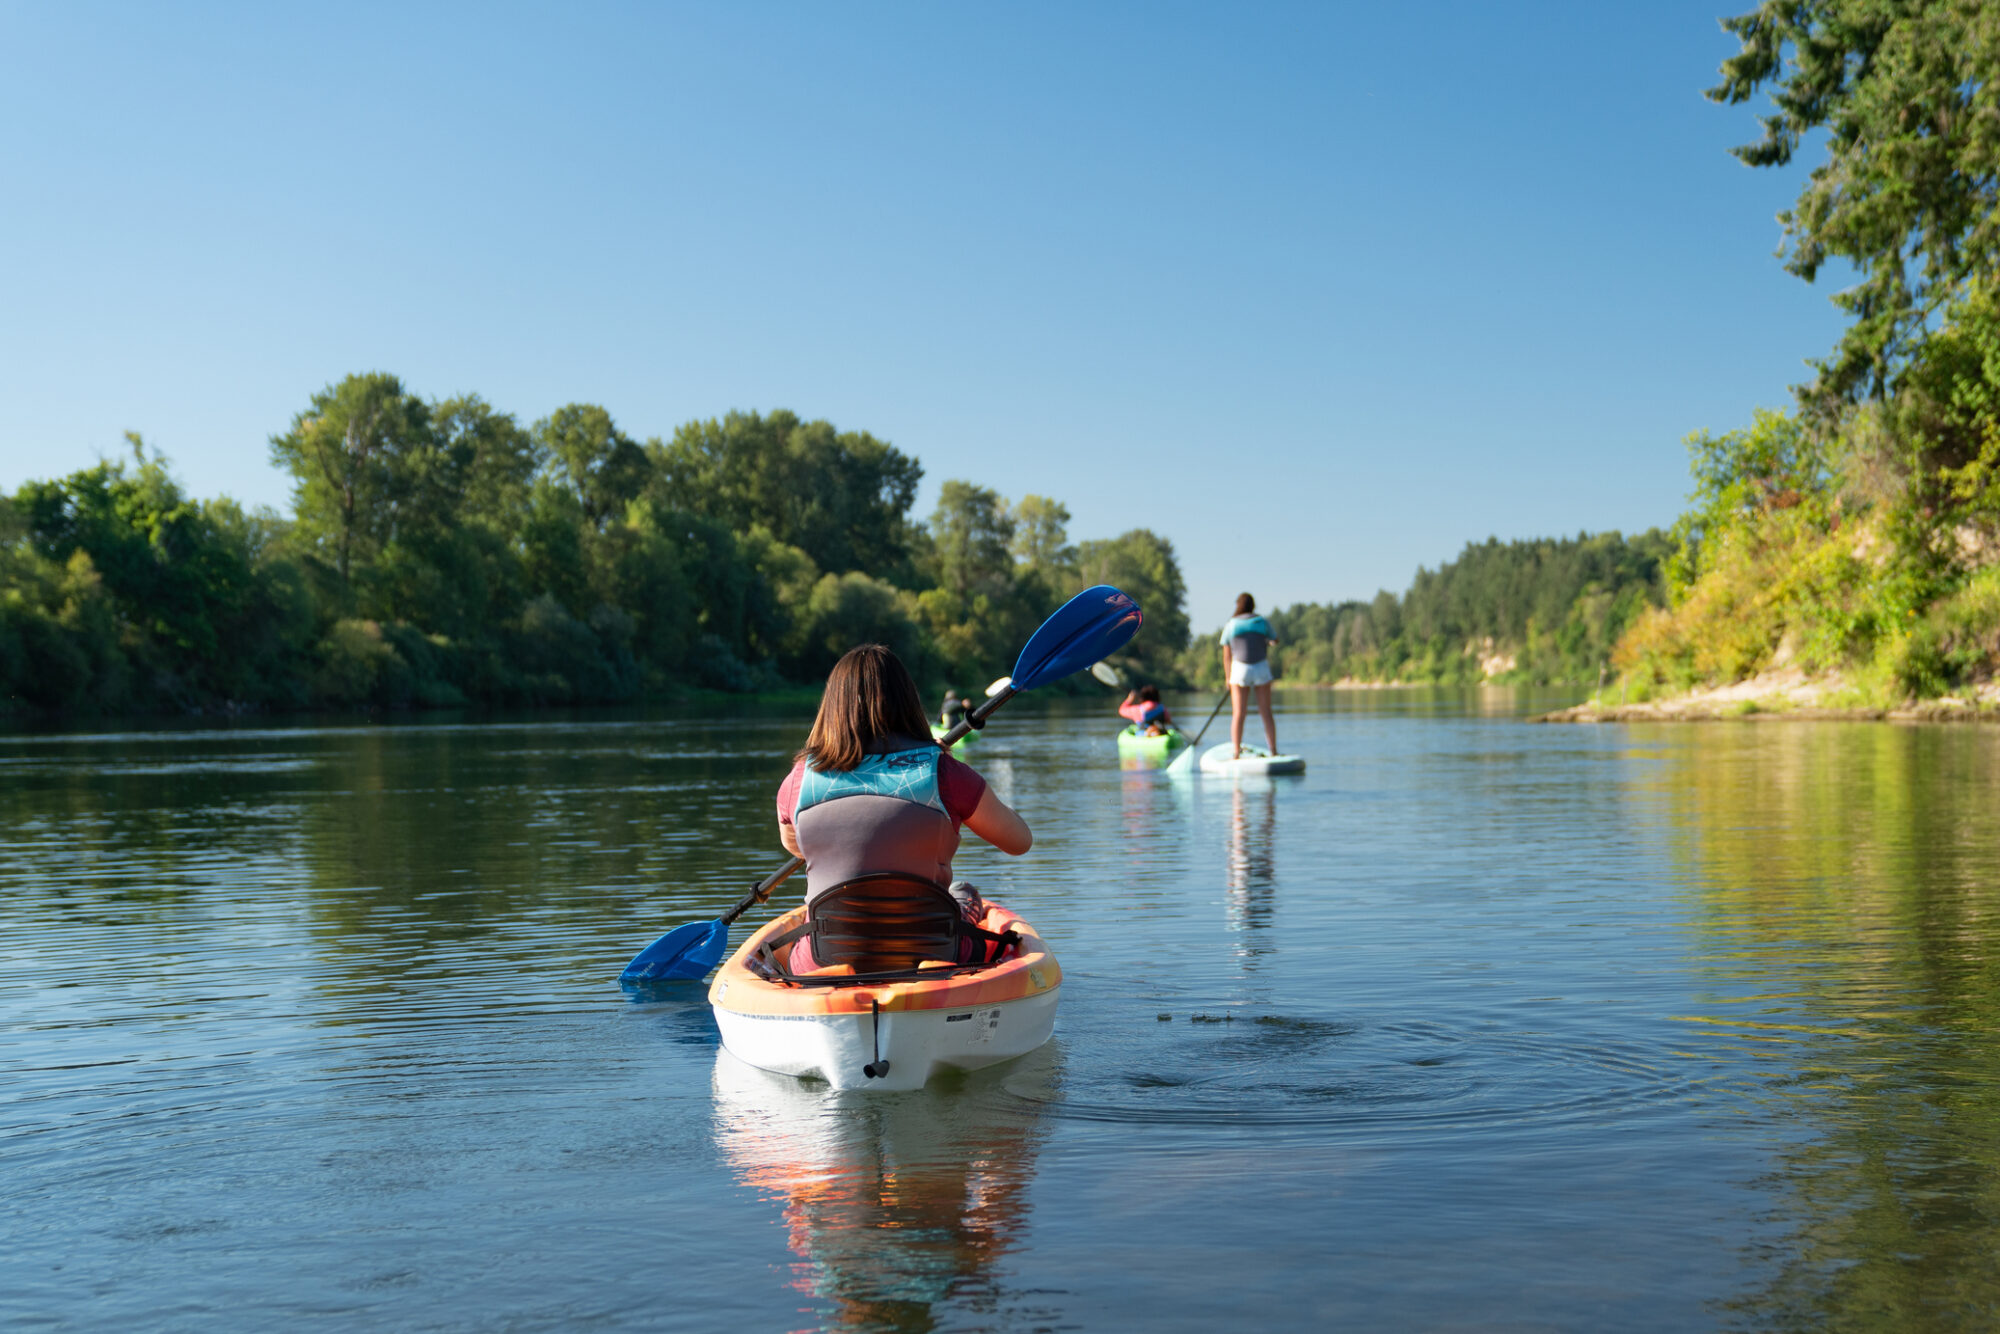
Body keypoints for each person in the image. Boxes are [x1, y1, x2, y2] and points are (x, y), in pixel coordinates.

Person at [776, 644, 1031, 969]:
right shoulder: (944, 773)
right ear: (907, 700)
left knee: (789, 946)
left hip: (826, 959)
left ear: (832, 705)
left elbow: (797, 848)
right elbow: (1020, 841)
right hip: (933, 953)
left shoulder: (798, 780)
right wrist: (946, 777)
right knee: (963, 893)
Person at [1220, 592, 1279, 759]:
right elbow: (1274, 639)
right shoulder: (1262, 622)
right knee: (1266, 711)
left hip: (1239, 670)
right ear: (1253, 605)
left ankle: (1236, 752)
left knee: (1239, 713)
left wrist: (1227, 677)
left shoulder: (1231, 624)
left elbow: (1227, 655)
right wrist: (1269, 642)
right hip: (1261, 667)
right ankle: (1273, 750)